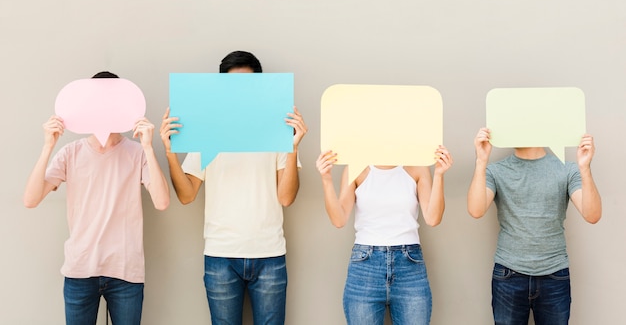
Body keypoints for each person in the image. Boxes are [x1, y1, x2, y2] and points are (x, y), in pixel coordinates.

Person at [159, 50, 307, 325]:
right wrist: (170, 153)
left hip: (269, 253)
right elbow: (187, 195)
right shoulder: (209, 132)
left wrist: (292, 147)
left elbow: (286, 198)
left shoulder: (276, 130)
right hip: (220, 255)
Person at [23, 71, 170, 325]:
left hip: (126, 273)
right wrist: (48, 146)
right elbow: (31, 199)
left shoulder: (137, 153)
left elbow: (162, 202)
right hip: (80, 270)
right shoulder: (71, 153)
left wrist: (147, 146)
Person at [467, 128, 602, 325]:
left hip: (555, 275)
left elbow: (592, 215)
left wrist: (585, 169)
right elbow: (476, 210)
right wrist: (480, 161)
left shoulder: (567, 169)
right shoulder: (495, 171)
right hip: (508, 275)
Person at [315, 145, 454, 325]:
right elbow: (339, 219)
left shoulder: (418, 167)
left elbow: (433, 218)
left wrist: (439, 174)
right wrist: (326, 179)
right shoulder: (356, 168)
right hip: (365, 266)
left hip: (410, 265)